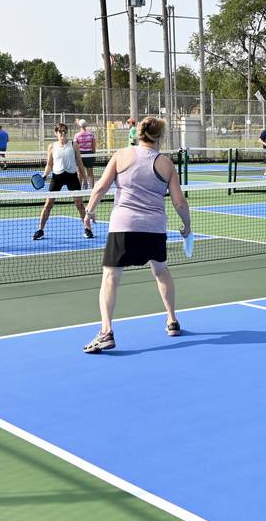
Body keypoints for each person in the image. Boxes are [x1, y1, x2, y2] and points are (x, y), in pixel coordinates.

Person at [79, 117, 191, 354]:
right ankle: (172, 320)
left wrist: (89, 211)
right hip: (154, 228)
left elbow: (100, 186)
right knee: (161, 271)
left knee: (110, 278)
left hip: (123, 226)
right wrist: (187, 227)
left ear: (139, 134)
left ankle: (106, 332)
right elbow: (179, 202)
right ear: (160, 137)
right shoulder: (166, 164)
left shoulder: (121, 155)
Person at [34, 123, 92, 240]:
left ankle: (88, 229)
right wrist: (45, 175)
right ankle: (40, 230)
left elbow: (80, 163)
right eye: (60, 131)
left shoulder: (74, 145)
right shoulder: (52, 146)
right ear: (56, 133)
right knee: (48, 204)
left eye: (65, 131)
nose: (63, 133)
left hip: (72, 177)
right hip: (57, 178)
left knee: (79, 204)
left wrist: (85, 178)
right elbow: (49, 164)